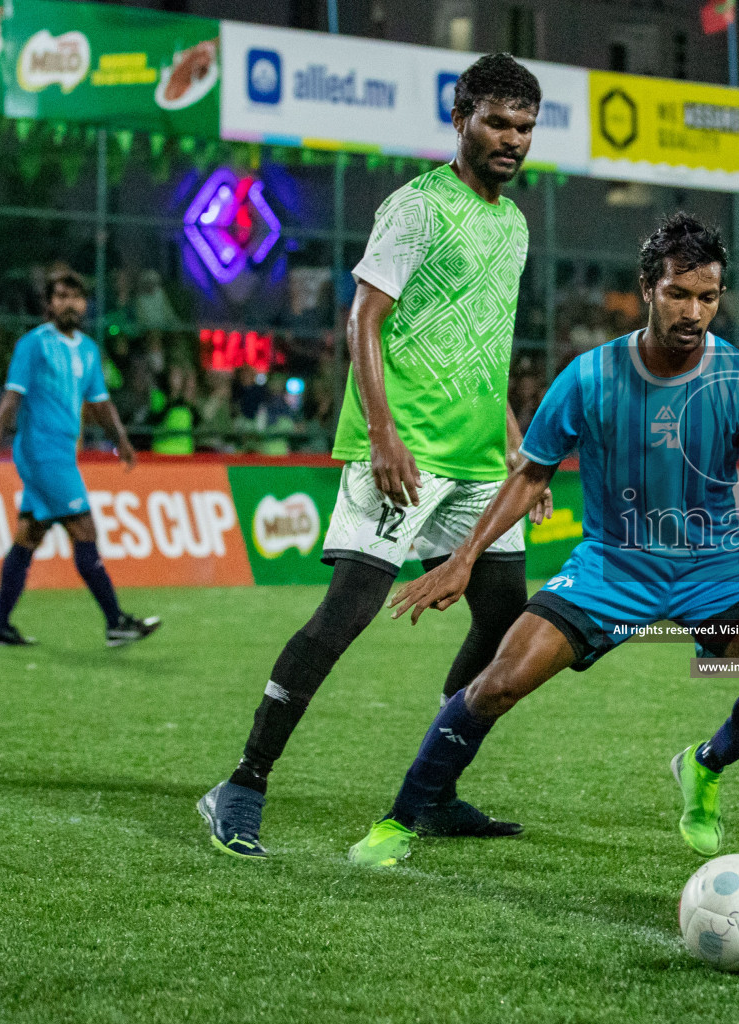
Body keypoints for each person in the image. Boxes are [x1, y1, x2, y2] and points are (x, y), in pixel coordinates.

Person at [346, 214, 739, 868]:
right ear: (648, 288)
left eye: (708, 297)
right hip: (612, 567)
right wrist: (464, 560)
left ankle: (704, 766)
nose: (694, 311)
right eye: (679, 294)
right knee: (498, 684)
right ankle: (400, 821)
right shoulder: (589, 376)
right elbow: (530, 475)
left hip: (713, 568)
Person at [197, 54, 552, 860]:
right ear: (459, 120)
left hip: (477, 463)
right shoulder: (417, 208)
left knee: (502, 620)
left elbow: (484, 348)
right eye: (497, 122)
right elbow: (364, 318)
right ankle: (242, 782)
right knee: (346, 615)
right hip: (403, 449)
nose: (512, 140)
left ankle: (431, 791)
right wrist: (383, 434)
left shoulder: (516, 223)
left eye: (525, 128)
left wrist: (515, 448)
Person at [0, 270, 160, 647]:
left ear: (85, 303)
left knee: (29, 534)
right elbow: (11, 399)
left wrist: (121, 440)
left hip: (63, 454)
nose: (68, 303)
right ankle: (116, 622)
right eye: (60, 296)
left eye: (75, 296)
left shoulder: (89, 349)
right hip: (41, 454)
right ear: (48, 303)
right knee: (85, 529)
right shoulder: (34, 344)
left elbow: (100, 403)